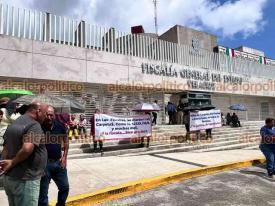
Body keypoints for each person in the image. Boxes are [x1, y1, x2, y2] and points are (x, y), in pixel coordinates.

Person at [0, 102, 48, 206]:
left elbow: (5, 149)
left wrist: (4, 164)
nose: (45, 117)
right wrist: (12, 162)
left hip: (10, 178)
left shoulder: (14, 123)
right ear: (38, 111)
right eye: (45, 113)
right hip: (26, 180)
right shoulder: (34, 125)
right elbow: (27, 148)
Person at [39, 106, 69, 206]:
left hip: (58, 163)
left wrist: (64, 157)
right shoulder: (38, 127)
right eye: (47, 114)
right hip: (44, 165)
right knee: (43, 194)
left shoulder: (60, 126)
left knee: (65, 188)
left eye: (51, 115)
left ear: (54, 115)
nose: (49, 117)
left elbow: (66, 142)